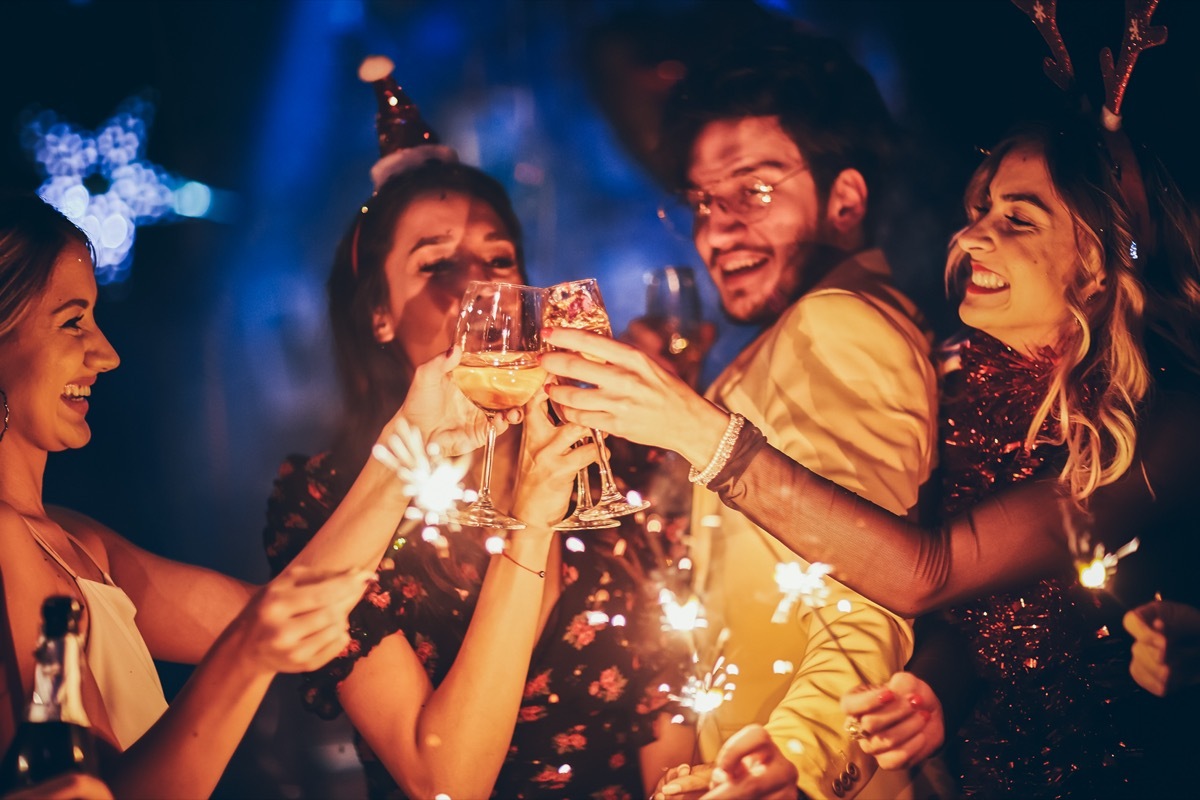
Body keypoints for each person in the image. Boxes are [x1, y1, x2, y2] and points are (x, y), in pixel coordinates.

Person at [544, 110, 1200, 796]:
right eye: (980, 211)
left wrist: (700, 432)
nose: (972, 235)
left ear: (1104, 262)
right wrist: (934, 690)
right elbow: (981, 618)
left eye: (1018, 219)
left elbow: (930, 573)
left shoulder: (1170, 425)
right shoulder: (961, 382)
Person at [262, 56, 694, 800]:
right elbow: (444, 781)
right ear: (379, 315)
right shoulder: (326, 503)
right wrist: (531, 525)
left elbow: (669, 713)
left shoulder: (613, 461)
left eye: (499, 259)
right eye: (437, 265)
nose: (479, 285)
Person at [0, 191, 502, 798]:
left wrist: (413, 435)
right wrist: (248, 654)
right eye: (72, 321)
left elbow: (290, 613)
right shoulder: (5, 541)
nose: (107, 354)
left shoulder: (77, 541)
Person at [548, 27, 939, 800]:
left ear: (845, 199)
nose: (716, 229)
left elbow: (868, 597)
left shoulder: (839, 324)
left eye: (753, 191)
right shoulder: (795, 339)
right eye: (701, 201)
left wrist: (796, 761)